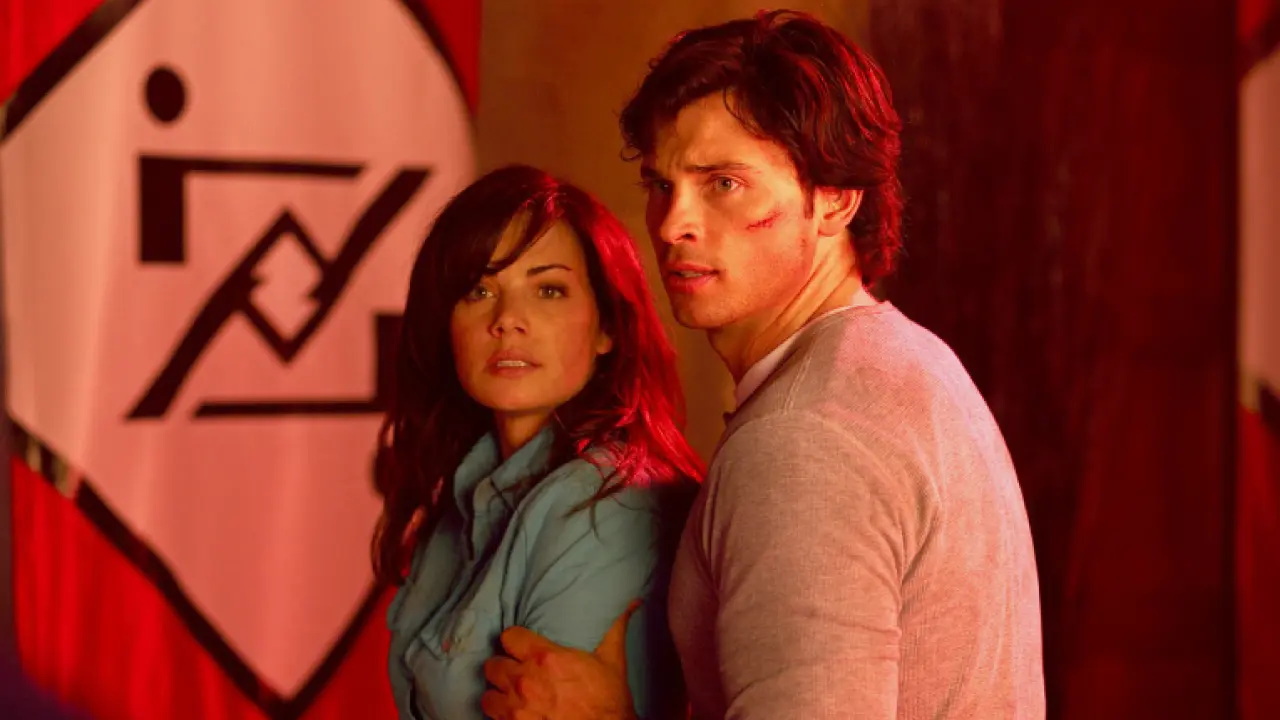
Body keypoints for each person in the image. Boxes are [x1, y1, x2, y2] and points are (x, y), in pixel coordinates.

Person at [481, 10, 1045, 720]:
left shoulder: (806, 439)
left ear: (836, 198)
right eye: (661, 184)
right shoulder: (904, 362)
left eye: (723, 183)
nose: (672, 224)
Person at [373, 164, 702, 720]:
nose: (507, 320)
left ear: (606, 327)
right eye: (479, 290)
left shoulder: (607, 504)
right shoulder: (461, 497)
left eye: (549, 290)